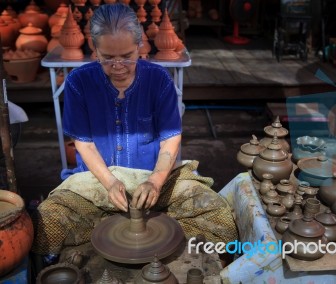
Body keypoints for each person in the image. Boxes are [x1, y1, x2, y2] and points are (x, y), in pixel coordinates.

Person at [31, 3, 237, 269]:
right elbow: (84, 143)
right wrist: (109, 183)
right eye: (107, 57)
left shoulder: (159, 80)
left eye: (127, 55)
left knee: (214, 209)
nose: (118, 66)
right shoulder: (78, 83)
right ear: (95, 50)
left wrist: (156, 181)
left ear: (140, 46)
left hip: (151, 182)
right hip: (94, 183)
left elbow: (170, 139)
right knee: (47, 218)